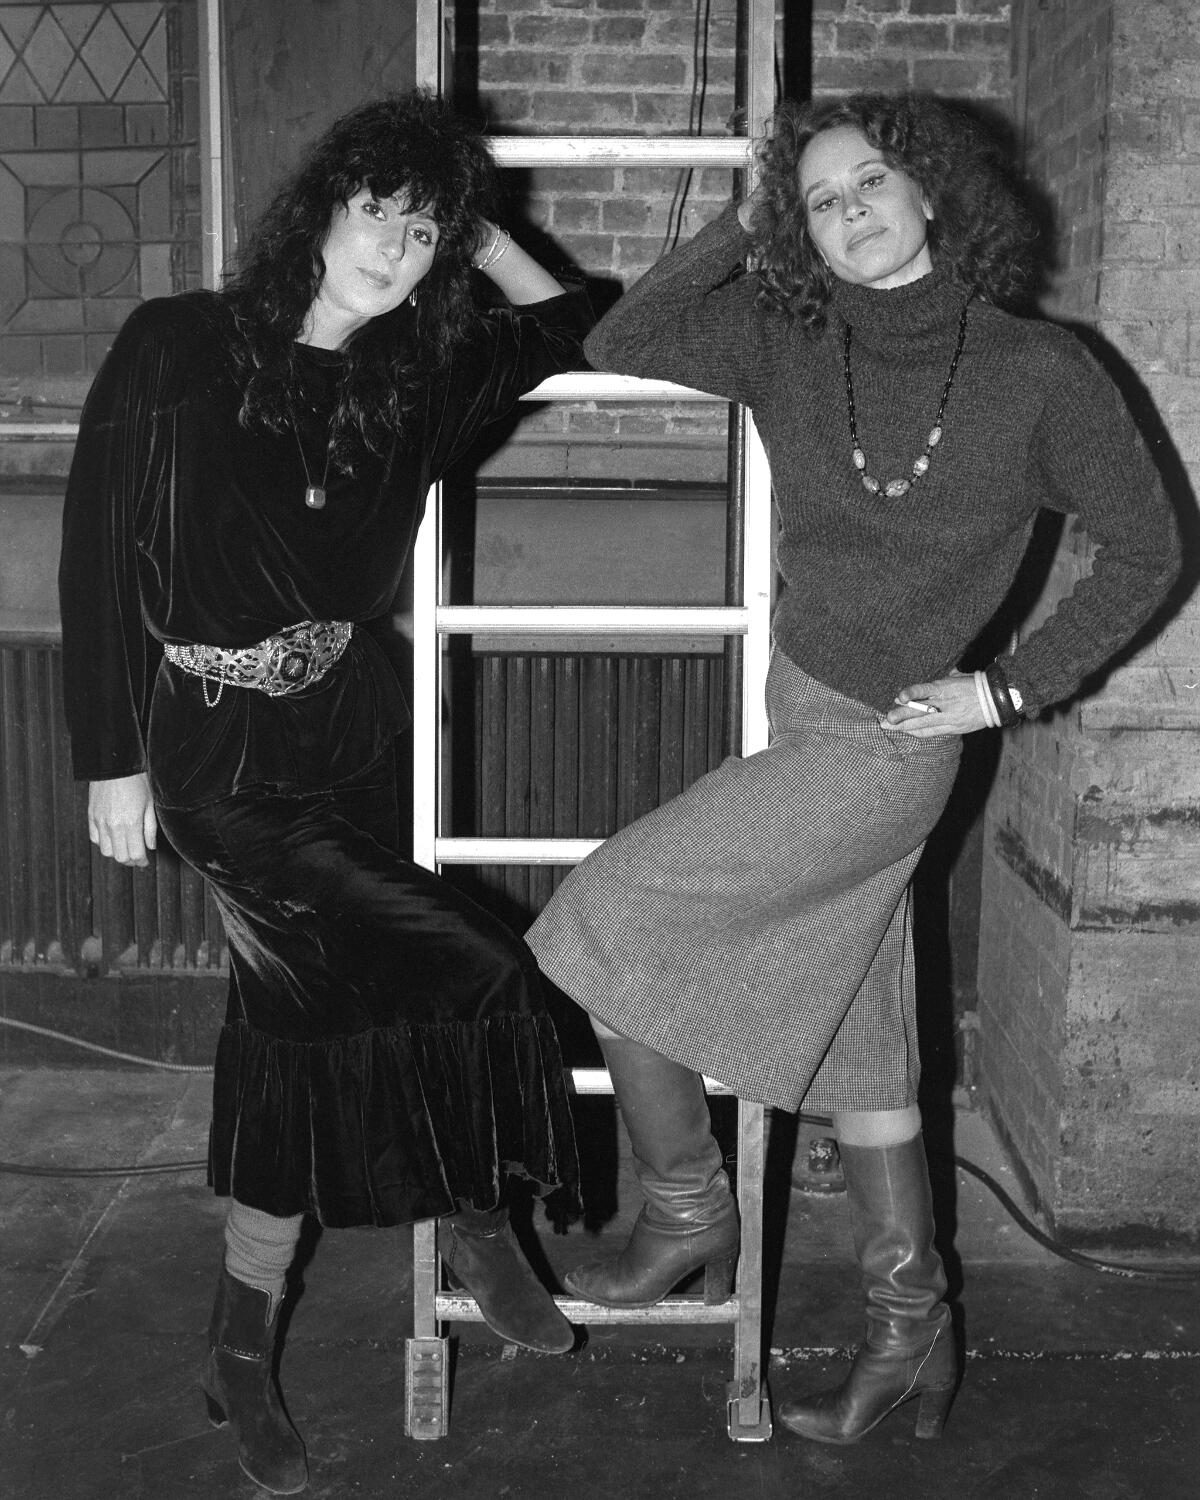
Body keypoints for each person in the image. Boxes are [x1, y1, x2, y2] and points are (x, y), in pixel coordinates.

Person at [526, 92, 1180, 1445]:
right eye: (820, 201)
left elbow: (1150, 545)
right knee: (873, 1052)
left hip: (890, 745)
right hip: (799, 707)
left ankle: (686, 1211)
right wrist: (745, 218)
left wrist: (1006, 689)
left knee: (601, 914)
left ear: (933, 191)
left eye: (871, 181)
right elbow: (620, 332)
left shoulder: (1041, 373)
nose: (851, 212)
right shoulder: (789, 339)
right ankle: (909, 1327)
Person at [58, 91, 591, 1494]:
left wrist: (478, 235)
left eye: (426, 233)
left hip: (353, 731)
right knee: (473, 966)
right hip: (218, 748)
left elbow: (576, 320)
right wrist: (107, 756)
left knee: (297, 1032)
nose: (397, 251)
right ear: (322, 206)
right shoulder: (175, 343)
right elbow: (95, 552)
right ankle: (477, 1217)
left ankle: (240, 1346)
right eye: (380, 212)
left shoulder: (410, 380)